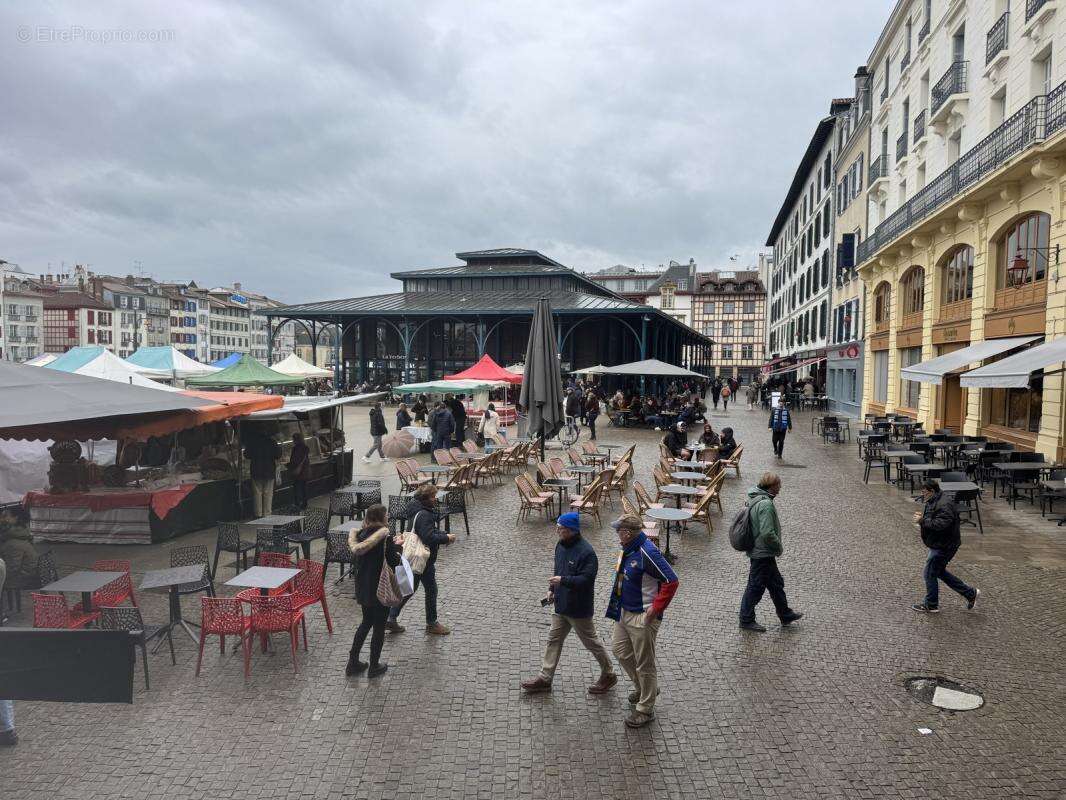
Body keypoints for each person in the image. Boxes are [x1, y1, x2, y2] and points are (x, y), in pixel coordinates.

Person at [520, 513, 617, 695]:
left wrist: (562, 581)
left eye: (560, 528)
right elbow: (558, 569)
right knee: (553, 640)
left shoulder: (587, 553)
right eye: (557, 526)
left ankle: (609, 673)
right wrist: (552, 589)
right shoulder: (560, 545)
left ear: (571, 531)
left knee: (591, 643)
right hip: (561, 605)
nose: (557, 530)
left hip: (578, 608)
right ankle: (545, 678)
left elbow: (586, 580)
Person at [606, 515, 679, 728]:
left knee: (644, 662)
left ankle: (645, 708)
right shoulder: (628, 548)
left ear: (627, 533)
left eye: (619, 530)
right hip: (625, 611)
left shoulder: (648, 551)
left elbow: (671, 581)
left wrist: (655, 610)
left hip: (642, 616)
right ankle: (645, 687)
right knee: (620, 650)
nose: (617, 534)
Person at [387, 484, 455, 635]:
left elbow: (423, 531)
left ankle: (391, 618)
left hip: (416, 558)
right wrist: (446, 538)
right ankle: (431, 623)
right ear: (425, 498)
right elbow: (428, 536)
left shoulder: (416, 509)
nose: (435, 500)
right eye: (432, 497)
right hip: (422, 559)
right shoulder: (424, 514)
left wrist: (440, 533)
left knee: (409, 589)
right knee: (429, 590)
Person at [739, 472, 803, 632]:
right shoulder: (766, 504)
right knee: (755, 587)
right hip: (763, 552)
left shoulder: (756, 497)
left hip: (760, 550)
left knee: (775, 584)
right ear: (772, 486)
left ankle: (785, 613)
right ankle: (746, 619)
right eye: (778, 485)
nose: (780, 488)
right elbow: (767, 532)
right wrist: (778, 546)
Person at [346, 504, 403, 678]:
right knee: (379, 626)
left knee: (365, 622)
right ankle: (374, 665)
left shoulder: (360, 536)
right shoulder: (384, 536)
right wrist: (398, 547)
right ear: (380, 518)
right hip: (380, 586)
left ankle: (353, 662)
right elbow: (393, 561)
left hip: (363, 586)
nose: (388, 518)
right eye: (386, 516)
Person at [912, 480, 979, 613]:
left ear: (932, 491)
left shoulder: (944, 504)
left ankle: (931, 604)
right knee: (939, 572)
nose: (922, 494)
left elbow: (941, 525)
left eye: (924, 492)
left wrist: (922, 521)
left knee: (930, 573)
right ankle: (970, 593)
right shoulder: (935, 500)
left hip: (944, 545)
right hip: (940, 543)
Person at [244, 428, 281, 517]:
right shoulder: (272, 442)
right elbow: (278, 455)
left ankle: (258, 513)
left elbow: (246, 455)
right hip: (269, 470)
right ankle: (267, 513)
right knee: (268, 493)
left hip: (256, 470)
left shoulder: (252, 442)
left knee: (257, 493)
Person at [287, 432, 311, 510]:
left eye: (293, 439)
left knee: (297, 488)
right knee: (304, 488)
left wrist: (288, 465)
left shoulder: (296, 448)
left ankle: (298, 504)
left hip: (299, 473)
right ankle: (304, 504)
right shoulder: (305, 447)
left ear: (295, 440)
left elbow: (295, 461)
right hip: (305, 471)